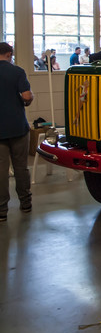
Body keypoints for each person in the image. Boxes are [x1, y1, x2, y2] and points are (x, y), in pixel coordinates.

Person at [0, 42, 34, 221]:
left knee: (1, 170)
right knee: (21, 167)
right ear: (9, 54)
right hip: (17, 126)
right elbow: (27, 96)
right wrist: (29, 100)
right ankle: (25, 203)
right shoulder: (17, 71)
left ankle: (1, 211)